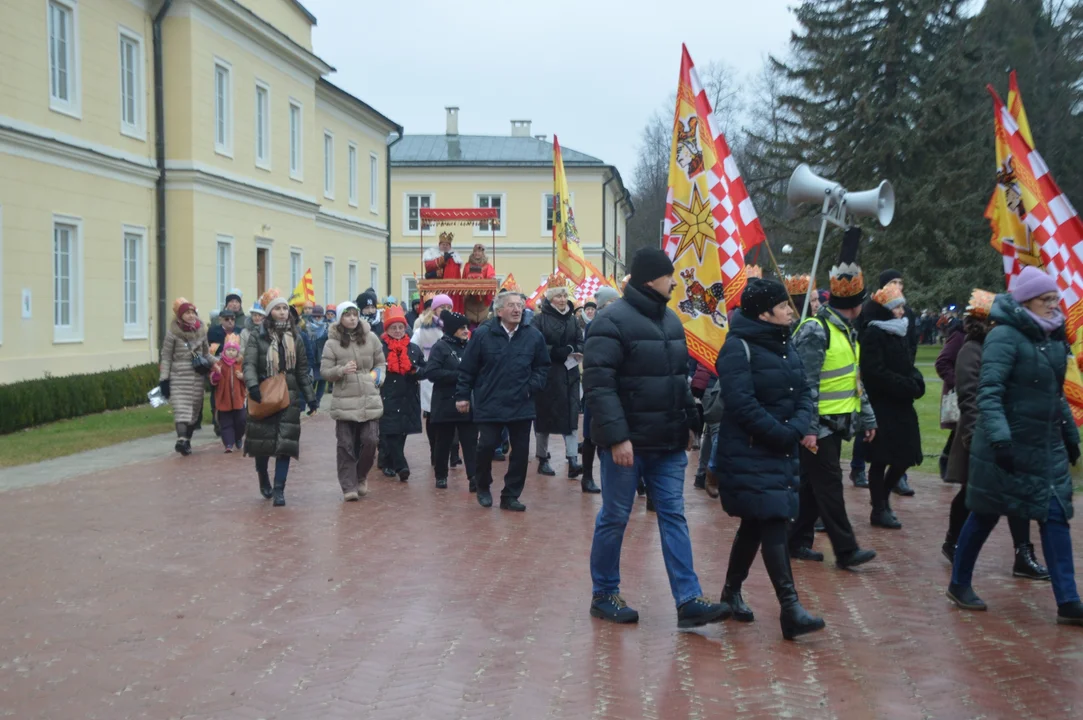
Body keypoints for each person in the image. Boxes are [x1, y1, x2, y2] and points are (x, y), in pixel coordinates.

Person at [585, 247, 728, 628]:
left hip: (667, 443)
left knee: (674, 515)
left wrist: (689, 425)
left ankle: (688, 599)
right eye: (670, 275)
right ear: (652, 278)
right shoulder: (610, 321)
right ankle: (604, 593)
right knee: (615, 516)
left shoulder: (671, 321)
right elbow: (599, 385)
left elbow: (678, 381)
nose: (676, 281)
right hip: (626, 445)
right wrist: (617, 437)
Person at [947, 268, 1083, 625]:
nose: (1055, 305)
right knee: (985, 513)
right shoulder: (1004, 337)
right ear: (1025, 302)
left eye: (1055, 298)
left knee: (1054, 515)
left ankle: (1068, 601)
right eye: (1046, 300)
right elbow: (988, 393)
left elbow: (1055, 394)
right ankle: (959, 582)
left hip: (1046, 446)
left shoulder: (1052, 339)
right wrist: (1001, 439)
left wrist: (1070, 435)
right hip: (1005, 445)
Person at [708, 278, 824, 640]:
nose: (791, 310)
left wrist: (800, 425)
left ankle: (730, 593)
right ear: (764, 312)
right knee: (773, 519)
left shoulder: (785, 345)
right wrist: (781, 433)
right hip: (750, 451)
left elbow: (804, 390)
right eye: (783, 305)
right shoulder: (737, 348)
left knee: (757, 523)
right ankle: (790, 609)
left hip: (780, 448)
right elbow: (741, 405)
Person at [942, 289, 1048, 579]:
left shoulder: (1005, 347)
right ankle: (952, 540)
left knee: (1015, 494)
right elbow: (970, 397)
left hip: (1007, 432)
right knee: (971, 495)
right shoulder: (970, 349)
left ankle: (1022, 554)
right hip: (979, 435)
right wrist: (979, 436)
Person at [788, 227, 878, 569]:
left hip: (836, 423)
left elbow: (854, 380)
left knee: (813, 488)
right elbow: (806, 383)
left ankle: (795, 540)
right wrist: (808, 428)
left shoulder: (845, 332)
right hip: (819, 428)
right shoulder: (817, 330)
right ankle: (845, 548)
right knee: (828, 487)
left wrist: (866, 417)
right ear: (856, 304)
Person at [455, 291, 549, 511]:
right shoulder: (482, 335)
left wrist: (531, 387)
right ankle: (483, 486)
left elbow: (542, 367)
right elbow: (468, 368)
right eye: (511, 305)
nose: (517, 309)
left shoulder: (533, 336)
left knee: (520, 452)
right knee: (486, 446)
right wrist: (462, 396)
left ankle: (510, 495)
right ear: (499, 311)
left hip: (521, 403)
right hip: (490, 401)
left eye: (520, 305)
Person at [860, 282, 925, 529]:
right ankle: (878, 507)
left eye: (901, 308)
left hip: (902, 406)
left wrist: (916, 381)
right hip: (883, 406)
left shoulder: (900, 332)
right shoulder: (874, 334)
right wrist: (905, 384)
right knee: (881, 458)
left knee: (906, 456)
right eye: (897, 308)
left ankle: (885, 497)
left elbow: (909, 363)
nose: (901, 312)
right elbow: (874, 372)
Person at [243, 289, 317, 506]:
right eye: (278, 308)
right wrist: (253, 386)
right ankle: (263, 475)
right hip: (264, 394)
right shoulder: (258, 336)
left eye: (285, 308)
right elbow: (248, 364)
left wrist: (311, 398)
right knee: (263, 443)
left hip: (289, 397)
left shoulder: (297, 337)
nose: (283, 312)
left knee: (286, 443)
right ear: (269, 312)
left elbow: (302, 369)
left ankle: (279, 489)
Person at [321, 301, 385, 501]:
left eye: (355, 314)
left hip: (369, 397)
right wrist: (341, 370)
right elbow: (325, 372)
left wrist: (376, 378)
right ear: (340, 318)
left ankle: (361, 475)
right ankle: (349, 486)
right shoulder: (332, 343)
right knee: (345, 444)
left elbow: (381, 362)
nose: (352, 318)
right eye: (347, 315)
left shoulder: (371, 338)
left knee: (371, 440)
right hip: (345, 399)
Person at [532, 274, 585, 480]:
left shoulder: (573, 319)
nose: (562, 299)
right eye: (558, 296)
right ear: (550, 298)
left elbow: (581, 341)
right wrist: (556, 351)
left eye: (564, 295)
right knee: (544, 418)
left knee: (571, 418)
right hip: (548, 375)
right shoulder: (539, 319)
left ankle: (572, 459)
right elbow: (536, 345)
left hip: (569, 374)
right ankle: (542, 458)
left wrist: (573, 349)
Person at [423, 311, 479, 490]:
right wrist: (459, 376)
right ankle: (441, 475)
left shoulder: (470, 346)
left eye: (466, 327)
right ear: (453, 329)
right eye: (462, 328)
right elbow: (431, 372)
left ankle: (474, 477)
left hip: (467, 402)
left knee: (470, 442)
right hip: (445, 402)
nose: (465, 330)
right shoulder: (440, 347)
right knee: (443, 442)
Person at [158, 297, 211, 456]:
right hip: (179, 377)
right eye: (187, 313)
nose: (190, 315)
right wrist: (164, 379)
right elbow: (166, 357)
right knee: (182, 411)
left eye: (192, 312)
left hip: (196, 379)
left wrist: (220, 365)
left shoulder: (201, 332)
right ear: (180, 315)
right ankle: (181, 439)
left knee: (193, 414)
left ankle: (186, 440)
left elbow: (207, 354)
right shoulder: (172, 334)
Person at [580, 287, 620, 494]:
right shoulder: (596, 323)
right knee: (590, 434)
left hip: (610, 384)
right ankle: (587, 476)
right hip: (597, 384)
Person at [379, 306, 425, 482]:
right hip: (387, 395)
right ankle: (401, 465)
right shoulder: (381, 348)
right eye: (393, 328)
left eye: (400, 327)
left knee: (402, 431)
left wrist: (417, 371)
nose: (397, 331)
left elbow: (425, 369)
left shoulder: (413, 348)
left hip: (408, 396)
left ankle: (387, 461)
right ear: (387, 329)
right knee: (390, 431)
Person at [412, 294, 456, 467]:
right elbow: (413, 347)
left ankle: (453, 452)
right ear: (435, 309)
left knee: (453, 414)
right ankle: (434, 451)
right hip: (431, 377)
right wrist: (421, 366)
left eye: (449, 308)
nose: (446, 311)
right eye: (442, 307)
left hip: (452, 375)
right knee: (433, 414)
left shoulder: (456, 326)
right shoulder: (424, 329)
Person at [935, 314, 967, 481]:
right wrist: (956, 382)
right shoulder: (959, 336)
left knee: (961, 429)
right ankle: (947, 460)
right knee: (959, 428)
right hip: (960, 390)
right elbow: (942, 362)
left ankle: (949, 461)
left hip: (972, 389)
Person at [210, 333, 247, 453]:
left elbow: (249, 379)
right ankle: (229, 444)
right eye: (229, 350)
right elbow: (213, 381)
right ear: (224, 351)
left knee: (241, 421)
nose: (231, 352)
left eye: (233, 350)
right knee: (226, 423)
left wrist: (243, 377)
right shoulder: (219, 363)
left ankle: (238, 437)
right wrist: (217, 374)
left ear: (237, 352)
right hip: (223, 398)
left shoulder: (241, 364)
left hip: (239, 398)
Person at [462, 243, 497, 324]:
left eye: (479, 251)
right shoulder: (467, 265)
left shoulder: (488, 266)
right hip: (470, 298)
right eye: (475, 251)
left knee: (483, 322)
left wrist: (491, 280)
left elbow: (491, 277)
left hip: (483, 300)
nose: (477, 253)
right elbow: (463, 278)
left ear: (482, 253)